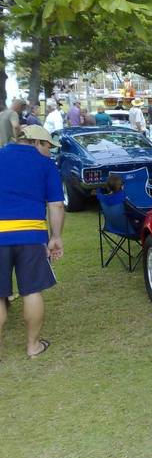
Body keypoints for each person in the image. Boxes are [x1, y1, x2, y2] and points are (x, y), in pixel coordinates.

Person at [0, 125, 64, 358]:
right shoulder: (46, 165)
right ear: (37, 142)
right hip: (32, 236)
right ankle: (33, 346)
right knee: (32, 291)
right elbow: (56, 205)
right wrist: (56, 237)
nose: (50, 151)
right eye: (48, 146)